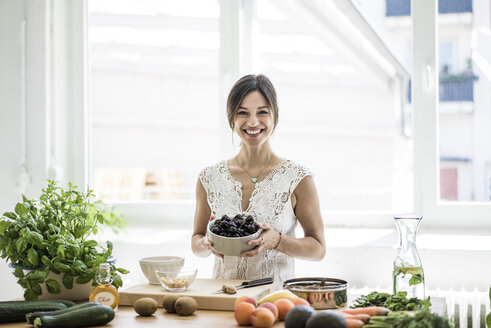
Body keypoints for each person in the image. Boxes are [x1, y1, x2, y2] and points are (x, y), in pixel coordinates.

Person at [191, 74, 325, 289]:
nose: (253, 122)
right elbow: (196, 241)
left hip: (275, 301)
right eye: (243, 113)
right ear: (231, 119)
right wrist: (206, 243)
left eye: (262, 112)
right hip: (221, 299)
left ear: (275, 116)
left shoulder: (298, 178)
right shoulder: (209, 177)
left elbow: (318, 250)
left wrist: (278, 241)